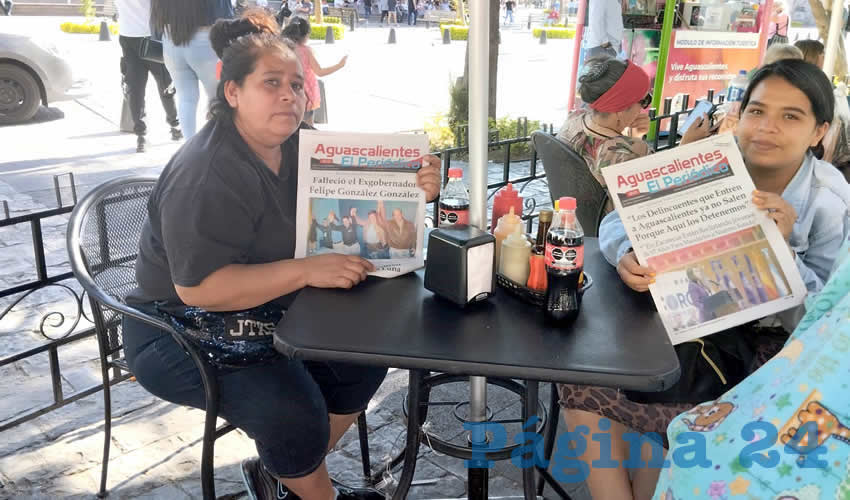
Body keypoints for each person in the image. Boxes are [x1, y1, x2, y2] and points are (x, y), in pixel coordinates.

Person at [122, 11, 442, 500]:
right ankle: (311, 486)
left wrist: (415, 187)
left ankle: (284, 473)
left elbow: (359, 191)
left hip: (269, 305)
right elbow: (198, 288)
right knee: (293, 411)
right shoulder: (206, 173)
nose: (290, 95)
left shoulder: (299, 141)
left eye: (297, 83)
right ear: (233, 92)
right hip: (177, 328)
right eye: (271, 83)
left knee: (364, 360)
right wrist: (309, 270)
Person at [559, 59, 850, 500]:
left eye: (791, 116)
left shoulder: (828, 200)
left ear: (818, 132)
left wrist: (780, 251)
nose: (767, 127)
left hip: (768, 346)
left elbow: (821, 323)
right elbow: (619, 221)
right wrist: (627, 255)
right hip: (683, 317)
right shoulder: (711, 162)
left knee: (685, 405)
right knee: (582, 374)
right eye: (757, 110)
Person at [654, 224, 850, 499]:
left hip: (776, 360)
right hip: (771, 370)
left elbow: (809, 316)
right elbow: (821, 313)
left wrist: (782, 260)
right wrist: (623, 252)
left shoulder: (828, 203)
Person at [557, 57, 710, 194]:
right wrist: (686, 147)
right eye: (644, 101)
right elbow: (665, 193)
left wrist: (633, 137)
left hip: (574, 215)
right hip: (613, 223)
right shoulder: (633, 151)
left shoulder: (574, 119)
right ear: (621, 108)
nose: (644, 109)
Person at [151, 0, 233, 138]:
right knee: (217, 98)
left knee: (185, 99)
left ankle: (189, 147)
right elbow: (224, 12)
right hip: (205, 39)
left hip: (171, 38)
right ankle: (215, 144)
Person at [116, 0, 183, 153]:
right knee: (164, 85)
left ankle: (142, 136)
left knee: (136, 89)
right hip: (150, 36)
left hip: (129, 37)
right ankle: (174, 126)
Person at [281, 17, 347, 126]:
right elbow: (319, 72)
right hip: (304, 93)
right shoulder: (306, 51)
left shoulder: (283, 48)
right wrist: (339, 65)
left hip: (285, 91)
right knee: (307, 129)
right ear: (306, 35)